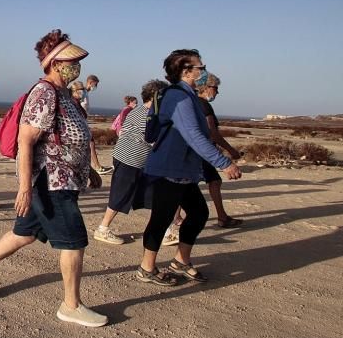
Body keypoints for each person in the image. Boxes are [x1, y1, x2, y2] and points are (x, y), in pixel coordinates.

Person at [0, 30, 108, 328]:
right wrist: (25, 188)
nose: (76, 66)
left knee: (25, 233)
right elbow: (27, 141)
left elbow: (68, 138)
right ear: (54, 63)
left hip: (64, 178)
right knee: (73, 241)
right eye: (71, 61)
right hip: (50, 182)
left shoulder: (64, 94)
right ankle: (71, 305)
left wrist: (87, 169)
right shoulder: (45, 93)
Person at [137, 50, 241, 286]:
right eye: (200, 67)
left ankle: (181, 261)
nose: (204, 71)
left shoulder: (188, 96)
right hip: (168, 169)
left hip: (183, 170)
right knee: (161, 219)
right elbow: (193, 135)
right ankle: (146, 268)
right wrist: (224, 163)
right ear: (187, 72)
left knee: (199, 213)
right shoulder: (179, 98)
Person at [92, 80, 167, 245]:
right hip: (130, 160)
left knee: (155, 195)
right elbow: (153, 139)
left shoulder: (138, 110)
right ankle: (103, 229)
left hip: (132, 159)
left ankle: (169, 228)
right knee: (120, 195)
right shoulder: (147, 115)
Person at [198, 73, 244, 228]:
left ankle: (222, 217)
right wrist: (231, 150)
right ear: (207, 87)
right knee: (187, 186)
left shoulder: (193, 103)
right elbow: (213, 132)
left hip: (201, 151)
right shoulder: (204, 105)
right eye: (216, 88)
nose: (217, 92)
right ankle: (176, 221)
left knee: (214, 182)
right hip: (203, 152)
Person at [82, 74, 113, 175]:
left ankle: (96, 166)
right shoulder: (81, 92)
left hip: (84, 122)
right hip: (81, 122)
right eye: (95, 84)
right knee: (90, 144)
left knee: (90, 144)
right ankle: (97, 167)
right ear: (90, 82)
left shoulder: (86, 92)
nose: (96, 87)